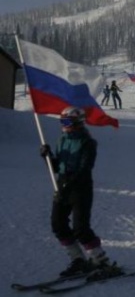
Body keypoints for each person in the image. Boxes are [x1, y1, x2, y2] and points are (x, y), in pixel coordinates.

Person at [39, 107, 120, 278]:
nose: (64, 125)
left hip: (80, 188)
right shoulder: (62, 140)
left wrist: (67, 184)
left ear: (77, 123)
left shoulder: (88, 142)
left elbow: (85, 168)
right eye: (62, 121)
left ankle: (101, 260)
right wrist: (47, 156)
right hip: (61, 186)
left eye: (67, 122)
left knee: (80, 228)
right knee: (58, 225)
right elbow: (56, 167)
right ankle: (78, 259)